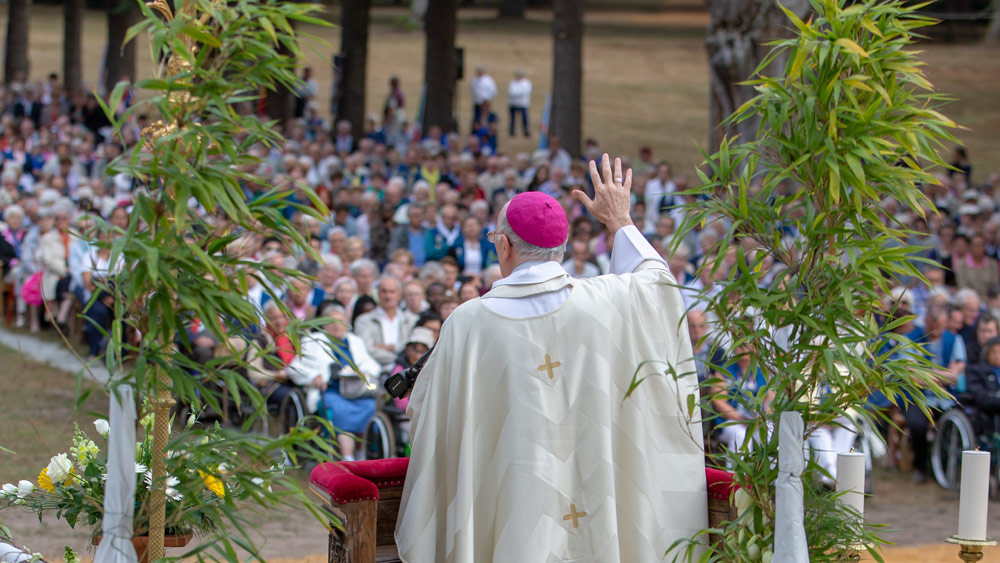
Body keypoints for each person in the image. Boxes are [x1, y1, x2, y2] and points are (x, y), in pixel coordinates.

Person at [396, 155, 707, 561]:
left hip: (511, 505)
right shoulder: (605, 302)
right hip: (596, 492)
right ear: (559, 249)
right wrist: (619, 221)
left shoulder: (469, 322)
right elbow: (660, 287)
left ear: (504, 245)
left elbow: (430, 417)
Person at [287, 301, 380, 461]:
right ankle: (348, 457)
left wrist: (364, 372)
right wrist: (313, 377)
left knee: (370, 406)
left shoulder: (354, 341)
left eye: (340, 322)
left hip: (355, 390)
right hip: (329, 390)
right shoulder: (312, 341)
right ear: (324, 325)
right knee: (338, 409)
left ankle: (360, 452)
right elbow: (294, 367)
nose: (337, 326)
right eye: (332, 322)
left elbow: (371, 364)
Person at [353, 275, 418, 369]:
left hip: (405, 371)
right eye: (384, 291)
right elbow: (367, 350)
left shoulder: (411, 320)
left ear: (399, 295)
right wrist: (399, 359)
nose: (388, 296)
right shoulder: (363, 321)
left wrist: (391, 347)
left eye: (392, 292)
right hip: (375, 371)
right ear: (378, 293)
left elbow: (414, 347)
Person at [470, 66, 497, 133]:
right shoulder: (475, 80)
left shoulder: (488, 81)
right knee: (476, 117)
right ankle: (475, 131)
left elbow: (493, 91)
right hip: (477, 102)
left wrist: (487, 99)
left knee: (485, 116)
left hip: (485, 102)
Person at [507, 70, 531, 137]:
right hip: (513, 103)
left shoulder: (526, 83)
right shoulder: (513, 82)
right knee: (512, 118)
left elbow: (524, 92)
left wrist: (516, 94)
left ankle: (526, 130)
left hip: (523, 103)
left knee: (524, 118)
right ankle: (512, 131)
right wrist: (516, 94)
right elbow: (510, 91)